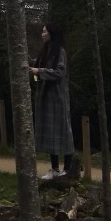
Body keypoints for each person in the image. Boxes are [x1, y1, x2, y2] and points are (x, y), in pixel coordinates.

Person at [29, 21, 74, 178]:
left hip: (58, 98)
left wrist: (39, 71)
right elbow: (35, 69)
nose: (42, 34)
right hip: (45, 97)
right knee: (50, 133)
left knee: (63, 132)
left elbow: (59, 73)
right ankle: (54, 169)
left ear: (52, 33)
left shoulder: (60, 52)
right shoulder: (45, 52)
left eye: (44, 32)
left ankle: (67, 169)